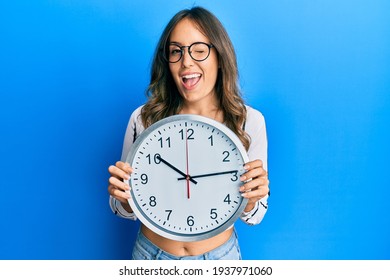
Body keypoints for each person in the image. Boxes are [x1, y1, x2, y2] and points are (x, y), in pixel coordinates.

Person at [107, 6, 270, 260]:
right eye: (176, 51)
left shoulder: (249, 122)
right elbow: (122, 210)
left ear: (219, 55)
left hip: (220, 259)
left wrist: (252, 197)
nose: (186, 62)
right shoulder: (143, 119)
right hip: (151, 257)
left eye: (199, 49)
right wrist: (123, 196)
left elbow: (256, 215)